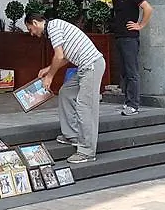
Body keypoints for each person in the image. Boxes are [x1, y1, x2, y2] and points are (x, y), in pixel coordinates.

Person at [25, 13, 105, 164]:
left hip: (91, 66)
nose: (32, 33)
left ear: (35, 22)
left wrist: (50, 76)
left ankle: (87, 151)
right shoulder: (55, 27)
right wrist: (49, 69)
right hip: (84, 68)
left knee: (85, 107)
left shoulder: (54, 27)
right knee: (66, 93)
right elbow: (66, 57)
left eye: (30, 29)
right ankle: (72, 135)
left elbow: (59, 56)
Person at [106, 0, 152, 116]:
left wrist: (140, 25)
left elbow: (148, 8)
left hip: (129, 37)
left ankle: (134, 104)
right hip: (120, 36)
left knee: (131, 71)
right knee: (125, 72)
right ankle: (128, 102)